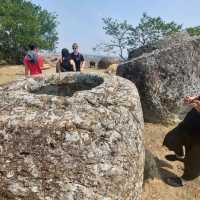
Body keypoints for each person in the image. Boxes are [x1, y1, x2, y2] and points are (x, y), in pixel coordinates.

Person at [163, 95, 200, 187]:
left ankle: (184, 180)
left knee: (195, 160)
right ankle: (180, 156)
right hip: (192, 121)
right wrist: (194, 98)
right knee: (172, 139)